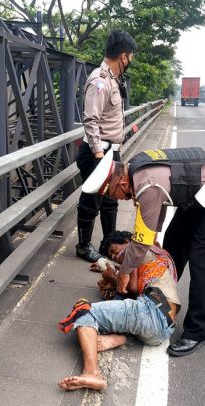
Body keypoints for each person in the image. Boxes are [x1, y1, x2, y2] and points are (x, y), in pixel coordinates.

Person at [82, 147, 205, 357]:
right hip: (198, 196)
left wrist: (124, 273)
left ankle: (197, 330)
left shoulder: (146, 186)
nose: (119, 199)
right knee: (174, 243)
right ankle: (165, 300)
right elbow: (162, 202)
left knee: (201, 263)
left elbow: (139, 242)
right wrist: (153, 236)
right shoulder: (136, 168)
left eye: (115, 195)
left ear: (121, 183)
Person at [57, 231, 179, 391]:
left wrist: (111, 278)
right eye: (111, 255)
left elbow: (131, 289)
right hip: (162, 330)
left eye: (115, 250)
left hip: (151, 311)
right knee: (115, 305)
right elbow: (135, 284)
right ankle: (119, 339)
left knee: (83, 310)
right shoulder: (151, 250)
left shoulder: (136, 249)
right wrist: (113, 270)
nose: (115, 256)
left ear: (128, 241)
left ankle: (92, 373)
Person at [75, 29, 137, 263]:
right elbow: (91, 119)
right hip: (97, 152)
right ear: (123, 56)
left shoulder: (113, 79)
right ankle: (83, 247)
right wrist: (99, 154)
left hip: (111, 152)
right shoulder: (100, 80)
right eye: (130, 57)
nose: (130, 61)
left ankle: (109, 244)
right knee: (91, 201)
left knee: (111, 201)